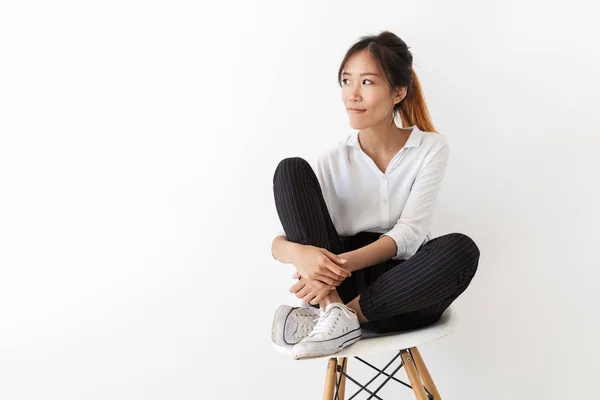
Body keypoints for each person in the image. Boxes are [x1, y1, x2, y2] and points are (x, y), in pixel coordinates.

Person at [270, 31, 480, 360]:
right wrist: (298, 255)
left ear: (399, 91)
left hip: (404, 290)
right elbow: (283, 239)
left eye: (367, 82)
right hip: (337, 286)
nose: (352, 95)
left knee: (462, 249)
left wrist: (333, 268)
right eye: (346, 81)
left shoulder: (430, 148)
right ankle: (331, 310)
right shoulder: (333, 159)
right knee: (290, 170)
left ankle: (341, 318)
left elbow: (409, 234)